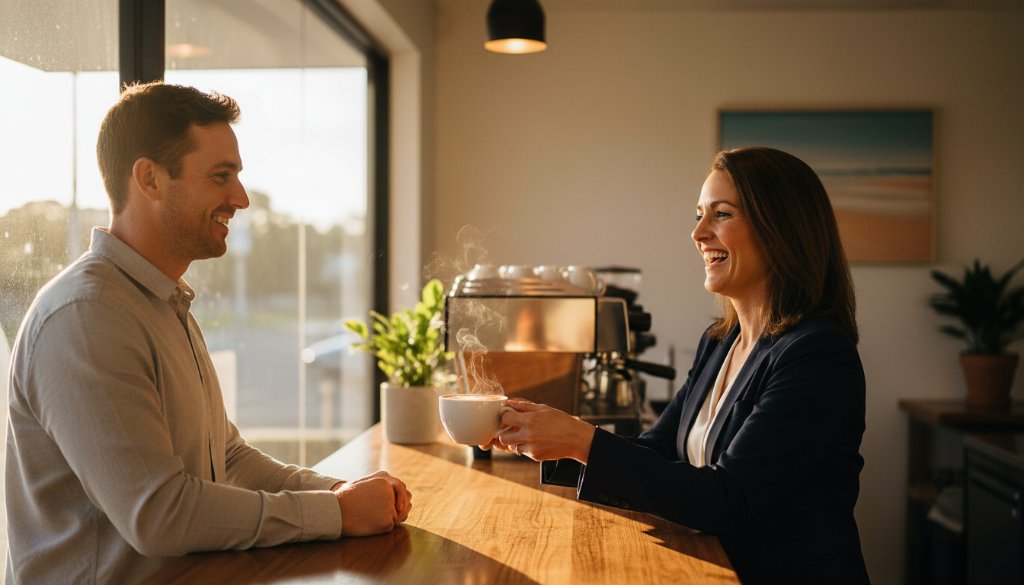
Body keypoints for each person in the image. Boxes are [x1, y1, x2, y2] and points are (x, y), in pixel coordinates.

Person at [5, 82, 412, 584]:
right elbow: (160, 516)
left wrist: (342, 493)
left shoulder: (163, 300)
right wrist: (338, 514)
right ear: (149, 179)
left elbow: (230, 457)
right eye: (221, 176)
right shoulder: (86, 316)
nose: (239, 198)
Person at [487, 147, 870, 584]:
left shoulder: (816, 355)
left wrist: (581, 440)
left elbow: (728, 498)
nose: (698, 233)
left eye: (721, 215)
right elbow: (662, 450)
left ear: (780, 230)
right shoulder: (721, 343)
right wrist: (551, 439)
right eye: (698, 215)